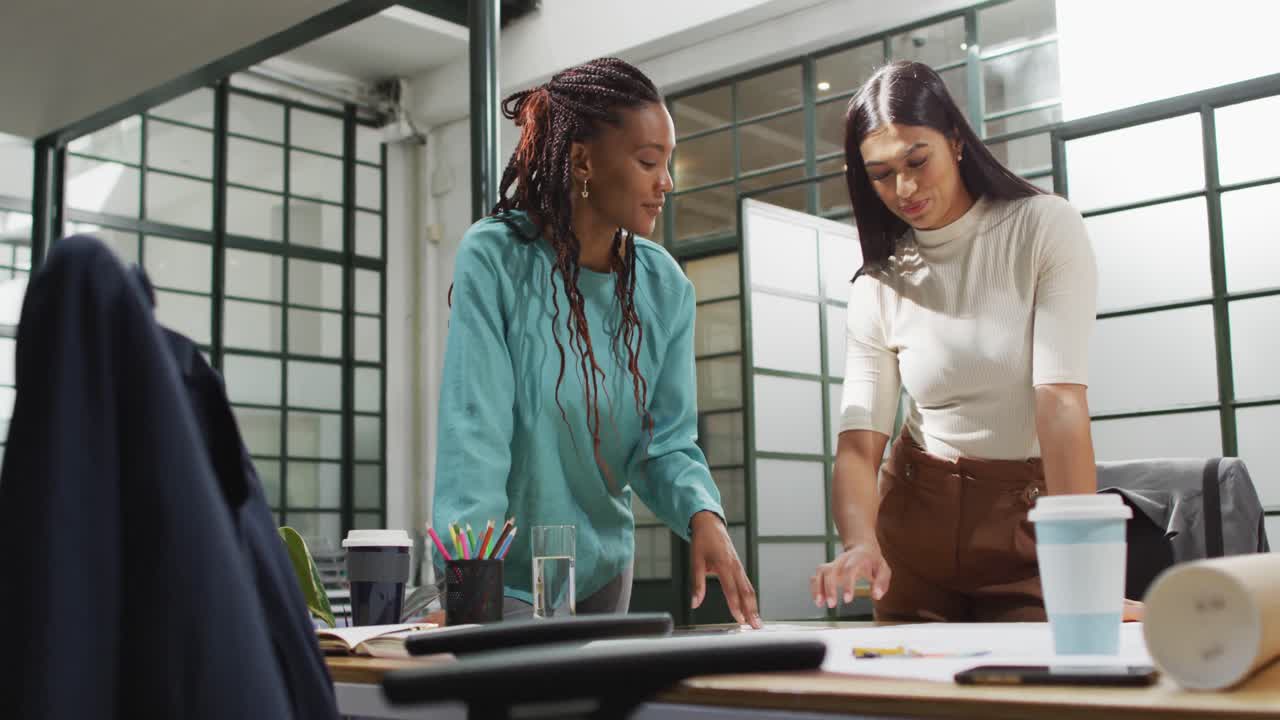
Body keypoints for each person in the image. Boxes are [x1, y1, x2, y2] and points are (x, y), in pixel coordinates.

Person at [433, 57, 761, 627]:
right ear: (583, 160)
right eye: (648, 162)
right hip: (499, 574)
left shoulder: (664, 288)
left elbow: (665, 444)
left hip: (602, 572)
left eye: (668, 164)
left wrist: (704, 516)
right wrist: (467, 588)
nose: (667, 182)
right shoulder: (497, 258)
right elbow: (474, 432)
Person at [809, 60, 1103, 622]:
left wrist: (1080, 563)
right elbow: (859, 445)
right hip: (914, 533)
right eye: (881, 174)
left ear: (956, 141)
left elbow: (1061, 404)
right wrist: (860, 543)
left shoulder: (1043, 227)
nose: (905, 188)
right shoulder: (880, 281)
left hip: (1024, 529)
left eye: (918, 161)